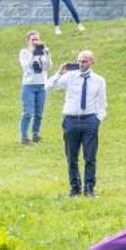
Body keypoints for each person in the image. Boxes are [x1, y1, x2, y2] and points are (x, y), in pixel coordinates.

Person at [46, 50, 106, 198]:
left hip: (90, 121)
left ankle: (89, 188)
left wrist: (98, 119)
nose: (81, 63)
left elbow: (102, 103)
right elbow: (48, 87)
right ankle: (75, 187)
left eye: (84, 61)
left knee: (90, 156)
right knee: (71, 156)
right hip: (71, 120)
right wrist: (59, 73)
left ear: (92, 61)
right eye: (79, 61)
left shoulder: (99, 80)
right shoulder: (70, 77)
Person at [17, 30, 51, 145]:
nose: (35, 42)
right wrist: (33, 55)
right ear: (28, 41)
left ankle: (36, 135)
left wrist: (47, 54)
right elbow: (25, 67)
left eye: (37, 39)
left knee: (39, 113)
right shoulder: (24, 52)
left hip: (42, 85)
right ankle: (24, 137)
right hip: (29, 85)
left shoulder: (42, 52)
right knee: (28, 112)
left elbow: (48, 67)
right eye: (33, 40)